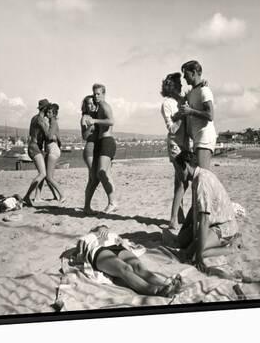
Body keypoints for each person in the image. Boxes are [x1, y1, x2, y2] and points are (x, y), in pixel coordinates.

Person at [174, 151, 241, 272]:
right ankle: (204, 246)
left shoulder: (202, 181)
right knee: (182, 241)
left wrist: (199, 256)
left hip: (223, 226)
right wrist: (184, 230)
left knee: (193, 254)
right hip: (212, 223)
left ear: (185, 165)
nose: (177, 174)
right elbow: (194, 208)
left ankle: (231, 248)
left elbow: (204, 219)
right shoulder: (197, 177)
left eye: (177, 169)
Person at [77, 225, 182, 297]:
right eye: (97, 228)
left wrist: (119, 240)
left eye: (101, 227)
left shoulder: (107, 232)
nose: (101, 229)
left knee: (138, 266)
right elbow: (79, 251)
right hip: (99, 250)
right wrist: (96, 238)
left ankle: (163, 284)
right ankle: (155, 290)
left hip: (115, 246)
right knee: (125, 268)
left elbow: (112, 233)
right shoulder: (88, 238)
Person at [160, 72, 190, 229]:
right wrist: (181, 115)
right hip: (175, 146)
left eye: (180, 83)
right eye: (177, 84)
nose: (180, 86)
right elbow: (172, 129)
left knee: (180, 181)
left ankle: (179, 215)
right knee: (182, 182)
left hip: (185, 144)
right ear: (170, 87)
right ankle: (173, 219)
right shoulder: (167, 104)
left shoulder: (181, 100)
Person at [83, 84, 117, 214]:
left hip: (107, 141)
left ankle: (113, 202)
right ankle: (92, 206)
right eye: (94, 94)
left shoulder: (104, 105)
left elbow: (111, 121)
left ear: (104, 94)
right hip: (101, 143)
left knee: (101, 173)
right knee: (100, 175)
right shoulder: (98, 107)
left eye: (98, 94)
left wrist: (95, 121)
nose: (96, 96)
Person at [178, 60, 217, 169]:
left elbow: (210, 115)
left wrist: (190, 111)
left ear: (194, 72)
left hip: (205, 138)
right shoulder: (192, 92)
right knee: (198, 176)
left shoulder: (204, 90)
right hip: (197, 138)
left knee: (203, 176)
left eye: (186, 74)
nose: (184, 77)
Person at [22, 99, 51, 207]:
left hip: (33, 146)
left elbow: (31, 133)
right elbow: (48, 135)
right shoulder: (41, 120)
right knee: (43, 173)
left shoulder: (34, 118)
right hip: (35, 147)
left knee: (42, 173)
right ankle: (27, 196)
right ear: (45, 108)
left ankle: (38, 197)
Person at [36, 103, 66, 203]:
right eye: (47, 112)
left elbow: (49, 136)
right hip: (51, 150)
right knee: (45, 175)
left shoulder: (53, 122)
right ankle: (54, 196)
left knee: (49, 177)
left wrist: (43, 126)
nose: (47, 114)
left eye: (49, 112)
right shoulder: (50, 121)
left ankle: (62, 195)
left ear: (54, 114)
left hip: (53, 150)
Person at [80, 95, 97, 170]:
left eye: (93, 103)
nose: (92, 105)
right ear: (86, 106)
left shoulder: (98, 115)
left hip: (100, 147)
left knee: (94, 178)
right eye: (89, 104)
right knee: (93, 175)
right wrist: (90, 127)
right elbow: (84, 136)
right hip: (90, 148)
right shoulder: (85, 118)